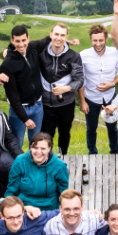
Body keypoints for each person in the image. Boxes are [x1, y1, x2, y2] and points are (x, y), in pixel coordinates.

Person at [36, 23, 84, 153]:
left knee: (64, 133)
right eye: (56, 34)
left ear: (66, 37)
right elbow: (24, 49)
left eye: (62, 35)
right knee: (46, 136)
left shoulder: (74, 56)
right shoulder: (41, 53)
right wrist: (9, 50)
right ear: (50, 35)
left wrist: (67, 88)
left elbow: (80, 80)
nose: (59, 38)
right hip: (46, 103)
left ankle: (63, 157)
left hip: (66, 103)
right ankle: (46, 161)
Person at [79, 23, 118, 153]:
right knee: (91, 128)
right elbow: (81, 79)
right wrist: (82, 101)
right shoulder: (83, 55)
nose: (98, 44)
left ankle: (114, 152)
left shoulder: (114, 53)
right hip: (91, 98)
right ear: (91, 40)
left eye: (100, 40)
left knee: (112, 127)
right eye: (95, 40)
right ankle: (92, 153)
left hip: (110, 97)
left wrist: (113, 83)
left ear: (106, 39)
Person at [0, 25, 46, 146]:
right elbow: (12, 96)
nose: (21, 44)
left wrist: (67, 40)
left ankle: (33, 165)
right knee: (16, 144)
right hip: (19, 111)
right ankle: (17, 165)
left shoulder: (34, 49)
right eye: (17, 41)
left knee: (36, 144)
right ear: (12, 41)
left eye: (23, 40)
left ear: (28, 39)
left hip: (38, 106)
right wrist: (25, 118)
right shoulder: (7, 65)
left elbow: (49, 39)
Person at [4, 133, 69, 210]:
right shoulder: (20, 161)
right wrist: (8, 207)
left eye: (43, 149)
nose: (38, 152)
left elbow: (63, 194)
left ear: (49, 148)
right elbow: (11, 189)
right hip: (24, 208)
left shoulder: (59, 166)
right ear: (31, 147)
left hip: (49, 209)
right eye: (35, 148)